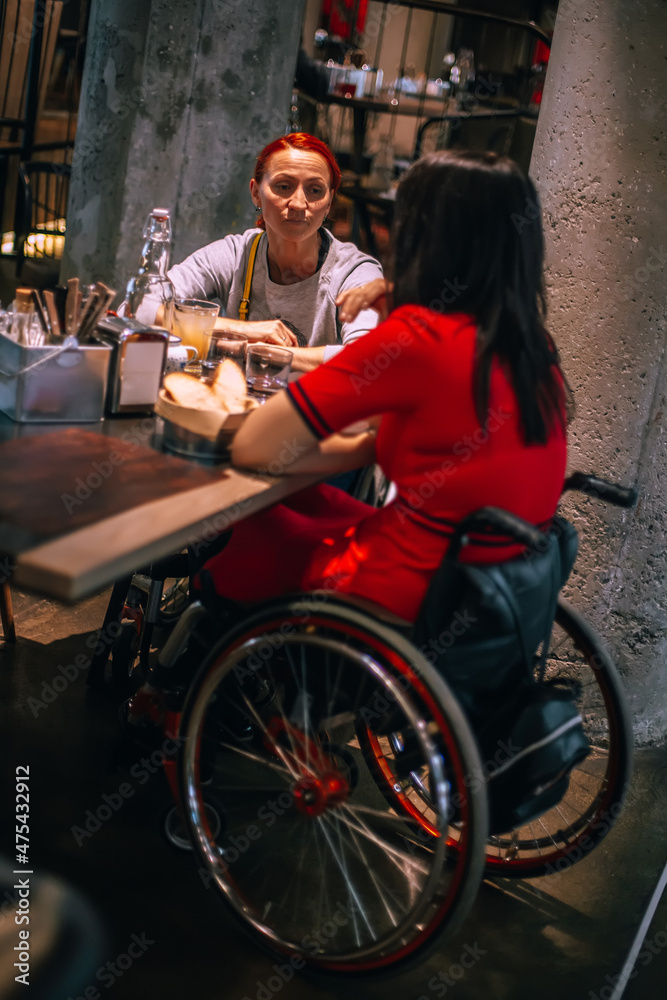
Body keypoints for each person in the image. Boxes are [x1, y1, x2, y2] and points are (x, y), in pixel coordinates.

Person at [196, 149, 569, 623]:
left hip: (411, 585)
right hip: (490, 590)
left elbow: (252, 446)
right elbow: (394, 435)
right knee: (306, 500)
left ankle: (186, 673)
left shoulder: (416, 338)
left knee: (258, 528)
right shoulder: (532, 346)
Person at [168, 132, 384, 373]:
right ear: (255, 192)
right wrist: (245, 331)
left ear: (330, 202)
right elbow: (141, 305)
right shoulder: (236, 255)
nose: (298, 204)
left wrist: (257, 350)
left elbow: (367, 356)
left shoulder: (353, 272)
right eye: (284, 186)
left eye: (315, 191)